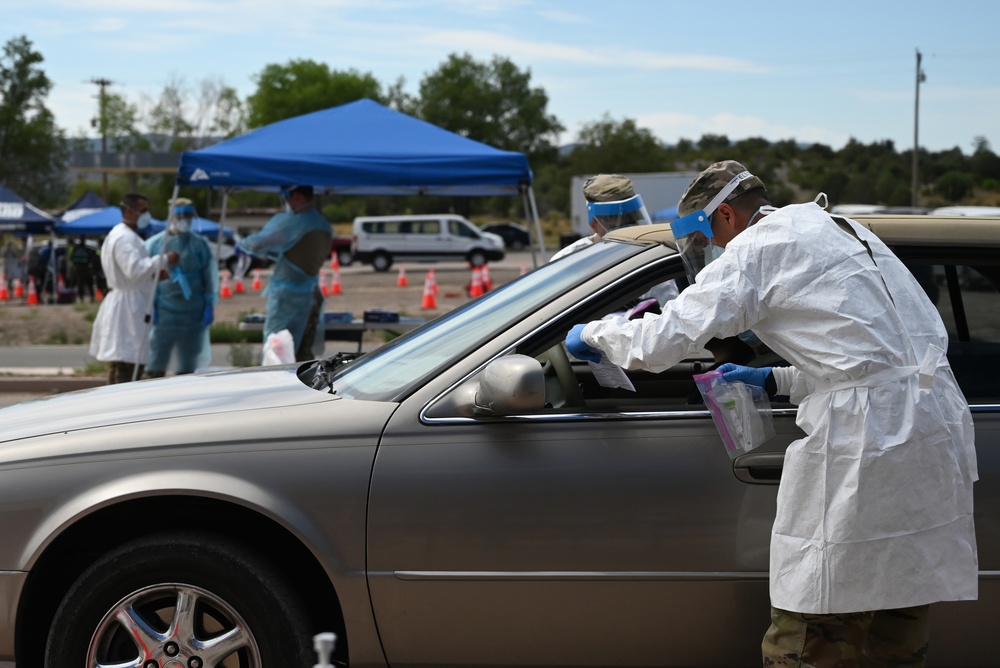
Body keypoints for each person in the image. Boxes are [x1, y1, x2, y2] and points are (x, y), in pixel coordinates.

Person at [566, 160, 978, 666]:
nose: (711, 251)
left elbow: (663, 340)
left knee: (810, 626)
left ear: (725, 220)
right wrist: (776, 378)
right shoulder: (839, 230)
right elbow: (871, 359)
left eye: (706, 239)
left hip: (868, 445)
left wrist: (592, 335)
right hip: (930, 430)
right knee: (898, 614)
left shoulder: (758, 249)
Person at [89, 193, 179, 384]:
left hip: (129, 300)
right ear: (130, 211)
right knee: (128, 362)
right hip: (128, 307)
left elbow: (134, 273)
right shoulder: (124, 238)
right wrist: (165, 259)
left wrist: (153, 276)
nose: (147, 215)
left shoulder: (123, 236)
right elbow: (134, 270)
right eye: (144, 210)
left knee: (124, 360)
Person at [236, 185, 332, 362]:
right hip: (311, 296)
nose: (286, 204)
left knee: (277, 352)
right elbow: (297, 251)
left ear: (297, 197)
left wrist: (241, 244)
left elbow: (259, 242)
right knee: (303, 355)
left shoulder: (296, 222)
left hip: (287, 298)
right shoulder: (324, 225)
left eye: (286, 198)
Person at [143, 198, 218, 377]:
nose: (186, 220)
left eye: (189, 217)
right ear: (172, 217)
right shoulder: (155, 245)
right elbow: (146, 277)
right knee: (156, 361)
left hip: (193, 312)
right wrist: (150, 305)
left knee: (188, 364)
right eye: (181, 216)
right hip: (164, 312)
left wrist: (209, 304)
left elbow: (210, 276)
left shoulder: (199, 244)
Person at [68, 236, 97, 303]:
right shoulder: (85, 249)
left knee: (85, 284)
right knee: (84, 284)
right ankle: (85, 298)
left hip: (81, 269)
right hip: (82, 269)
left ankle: (88, 298)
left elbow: (72, 258)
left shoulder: (78, 249)